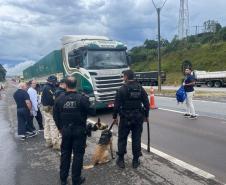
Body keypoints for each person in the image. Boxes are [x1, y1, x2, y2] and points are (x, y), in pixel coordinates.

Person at [53, 76, 91, 185]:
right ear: (76, 85)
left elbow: (55, 116)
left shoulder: (59, 99)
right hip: (79, 130)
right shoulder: (82, 98)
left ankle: (63, 179)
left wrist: (60, 128)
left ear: (65, 84)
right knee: (78, 155)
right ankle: (76, 180)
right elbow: (92, 111)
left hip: (65, 130)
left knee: (65, 154)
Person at [113, 69, 150, 169]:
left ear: (125, 77)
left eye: (123, 76)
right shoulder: (140, 88)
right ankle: (135, 160)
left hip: (125, 118)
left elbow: (116, 105)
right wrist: (146, 116)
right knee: (136, 138)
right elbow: (147, 104)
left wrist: (115, 117)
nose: (122, 78)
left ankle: (120, 159)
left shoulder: (121, 89)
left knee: (122, 138)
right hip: (138, 118)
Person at [41, 75, 59, 148]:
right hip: (50, 108)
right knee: (53, 125)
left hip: (45, 108)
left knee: (47, 124)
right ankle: (55, 143)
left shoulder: (45, 87)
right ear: (52, 81)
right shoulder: (49, 88)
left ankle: (48, 141)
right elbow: (52, 99)